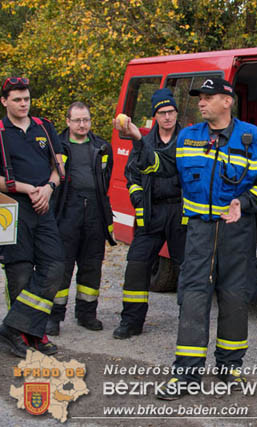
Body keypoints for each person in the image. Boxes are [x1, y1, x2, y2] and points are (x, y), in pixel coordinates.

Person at [117, 78, 257, 399]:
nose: (201, 103)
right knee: (192, 298)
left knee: (234, 298)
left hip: (237, 232)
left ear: (227, 101)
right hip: (199, 232)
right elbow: (161, 166)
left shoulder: (250, 138)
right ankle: (186, 374)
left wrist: (242, 203)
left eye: (207, 97)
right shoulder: (188, 136)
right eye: (199, 98)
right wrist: (140, 141)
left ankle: (230, 368)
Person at [112, 88, 186, 339]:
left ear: (177, 113)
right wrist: (137, 197)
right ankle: (130, 323)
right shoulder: (143, 142)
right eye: (162, 113)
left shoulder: (187, 139)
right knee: (136, 266)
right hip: (151, 212)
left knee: (187, 269)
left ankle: (189, 325)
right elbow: (131, 174)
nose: (167, 117)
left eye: (171, 112)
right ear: (155, 116)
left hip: (180, 212)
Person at [0, 77, 64, 357]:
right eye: (16, 99)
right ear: (4, 102)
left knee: (54, 267)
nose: (23, 103)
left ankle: (14, 327)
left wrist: (48, 189)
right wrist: (29, 190)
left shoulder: (44, 127)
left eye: (26, 98)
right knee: (20, 273)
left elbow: (59, 164)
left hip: (44, 204)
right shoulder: (1, 132)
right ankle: (29, 335)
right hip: (12, 208)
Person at [46, 102, 116, 336]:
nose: (82, 124)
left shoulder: (102, 147)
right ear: (68, 121)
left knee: (91, 266)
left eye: (86, 119)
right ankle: (54, 317)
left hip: (95, 213)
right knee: (62, 268)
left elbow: (105, 182)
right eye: (77, 120)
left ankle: (87, 314)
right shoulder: (56, 146)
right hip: (66, 213)